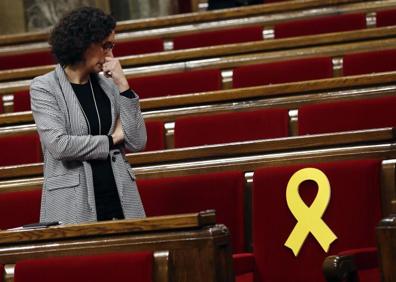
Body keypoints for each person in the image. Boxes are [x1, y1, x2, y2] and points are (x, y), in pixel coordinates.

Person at [30, 7, 146, 224]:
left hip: (119, 196)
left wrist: (123, 86)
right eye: (106, 46)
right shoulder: (44, 87)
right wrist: (112, 139)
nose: (111, 55)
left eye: (112, 46)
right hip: (72, 202)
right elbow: (60, 145)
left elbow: (137, 141)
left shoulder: (109, 85)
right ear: (84, 43)